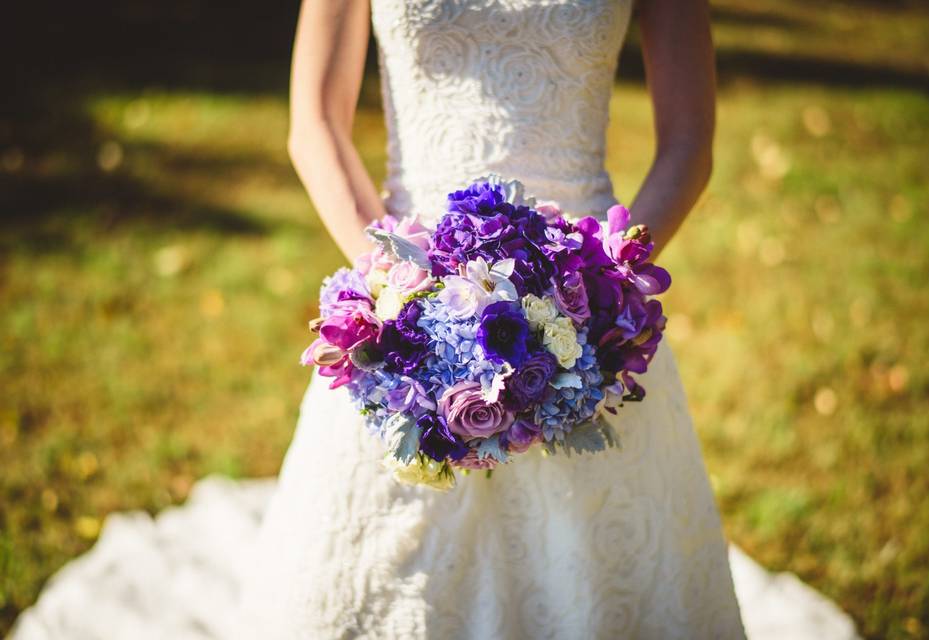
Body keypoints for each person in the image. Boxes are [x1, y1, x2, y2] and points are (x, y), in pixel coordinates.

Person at [240, 1, 746, 637]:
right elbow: (314, 123)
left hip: (585, 307)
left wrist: (603, 285)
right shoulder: (402, 299)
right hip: (410, 304)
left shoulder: (595, 294)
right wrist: (398, 291)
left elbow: (689, 143)